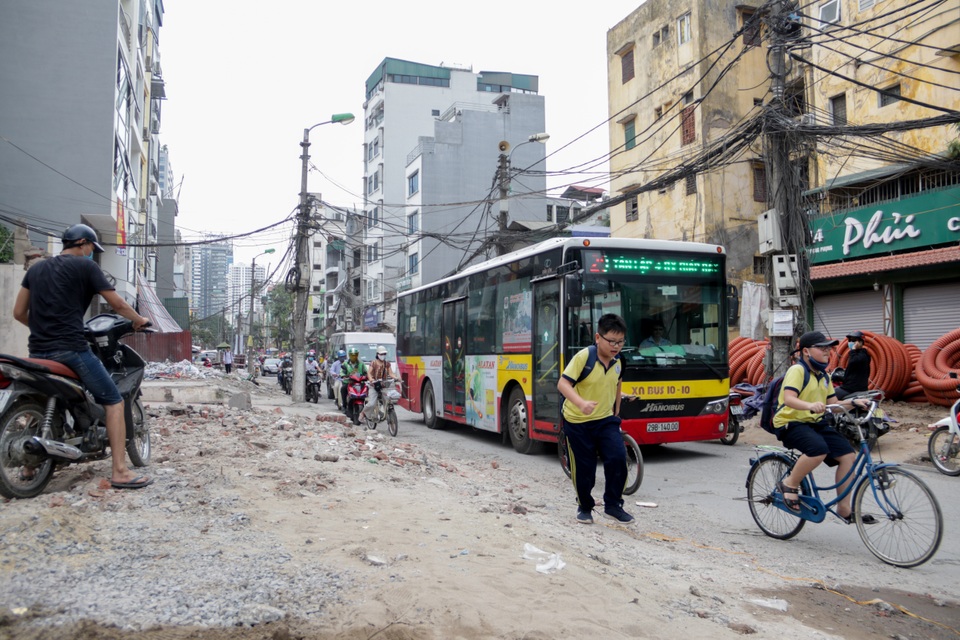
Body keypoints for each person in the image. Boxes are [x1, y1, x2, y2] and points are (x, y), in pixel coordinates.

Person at [13, 224, 153, 490]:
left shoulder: (37, 269)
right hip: (71, 350)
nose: (92, 253)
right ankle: (121, 471)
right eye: (92, 248)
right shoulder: (86, 267)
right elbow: (118, 304)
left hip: (38, 352)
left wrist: (44, 330)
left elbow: (19, 312)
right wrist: (138, 320)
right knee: (113, 401)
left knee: (41, 399)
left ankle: (29, 468)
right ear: (82, 243)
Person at [773, 331, 874, 524]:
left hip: (814, 422)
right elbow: (788, 399)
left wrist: (854, 402)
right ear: (806, 352)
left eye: (828, 348)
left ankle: (844, 508)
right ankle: (789, 484)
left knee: (848, 456)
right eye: (821, 348)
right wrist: (810, 405)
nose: (827, 351)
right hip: (790, 422)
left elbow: (834, 405)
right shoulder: (797, 371)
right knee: (818, 450)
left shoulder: (824, 375)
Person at [557, 313, 634, 525]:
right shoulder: (584, 357)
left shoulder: (619, 360)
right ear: (598, 338)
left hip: (605, 420)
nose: (616, 346)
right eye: (611, 341)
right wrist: (581, 403)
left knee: (618, 458)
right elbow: (563, 384)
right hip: (577, 421)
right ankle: (584, 506)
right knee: (585, 467)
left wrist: (616, 411)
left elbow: (617, 383)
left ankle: (613, 505)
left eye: (620, 342)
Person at [360, 345, 394, 424]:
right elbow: (369, 373)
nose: (383, 356)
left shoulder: (387, 364)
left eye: (384, 354)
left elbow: (391, 373)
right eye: (381, 354)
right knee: (371, 403)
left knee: (388, 399)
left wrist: (397, 378)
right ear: (377, 354)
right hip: (374, 385)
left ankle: (383, 413)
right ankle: (363, 413)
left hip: (383, 385)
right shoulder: (373, 363)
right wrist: (371, 379)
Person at [834, 331, 871, 400]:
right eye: (850, 340)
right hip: (852, 387)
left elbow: (853, 361)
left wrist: (853, 349)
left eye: (854, 340)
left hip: (852, 389)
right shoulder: (857, 354)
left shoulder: (863, 355)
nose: (851, 342)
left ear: (861, 342)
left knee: (829, 395)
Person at [340, 347, 367, 414]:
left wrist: (367, 376)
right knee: (343, 389)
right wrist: (343, 375)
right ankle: (344, 405)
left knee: (367, 389)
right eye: (352, 355)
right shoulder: (346, 363)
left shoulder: (361, 363)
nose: (354, 357)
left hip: (359, 382)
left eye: (355, 355)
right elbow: (342, 371)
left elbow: (366, 371)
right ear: (349, 355)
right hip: (349, 382)